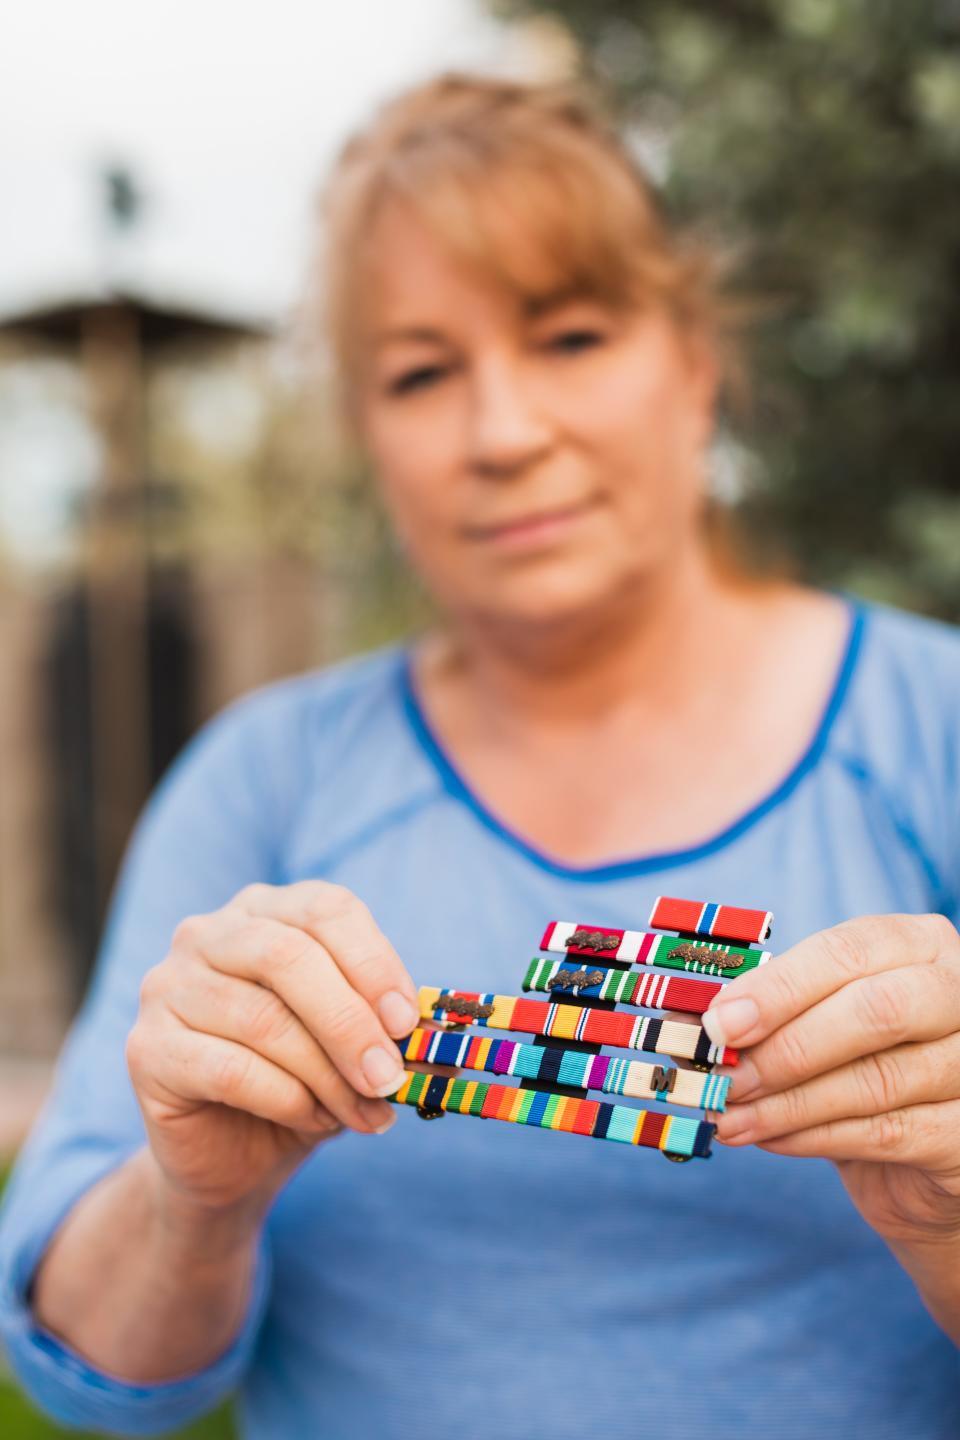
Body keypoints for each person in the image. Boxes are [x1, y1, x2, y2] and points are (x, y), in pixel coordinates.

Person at [2, 70, 960, 1440]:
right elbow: (89, 1374)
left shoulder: (934, 734)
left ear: (693, 368)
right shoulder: (262, 782)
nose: (504, 434)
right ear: (366, 438)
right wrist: (192, 1201)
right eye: (420, 372)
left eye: (569, 336)